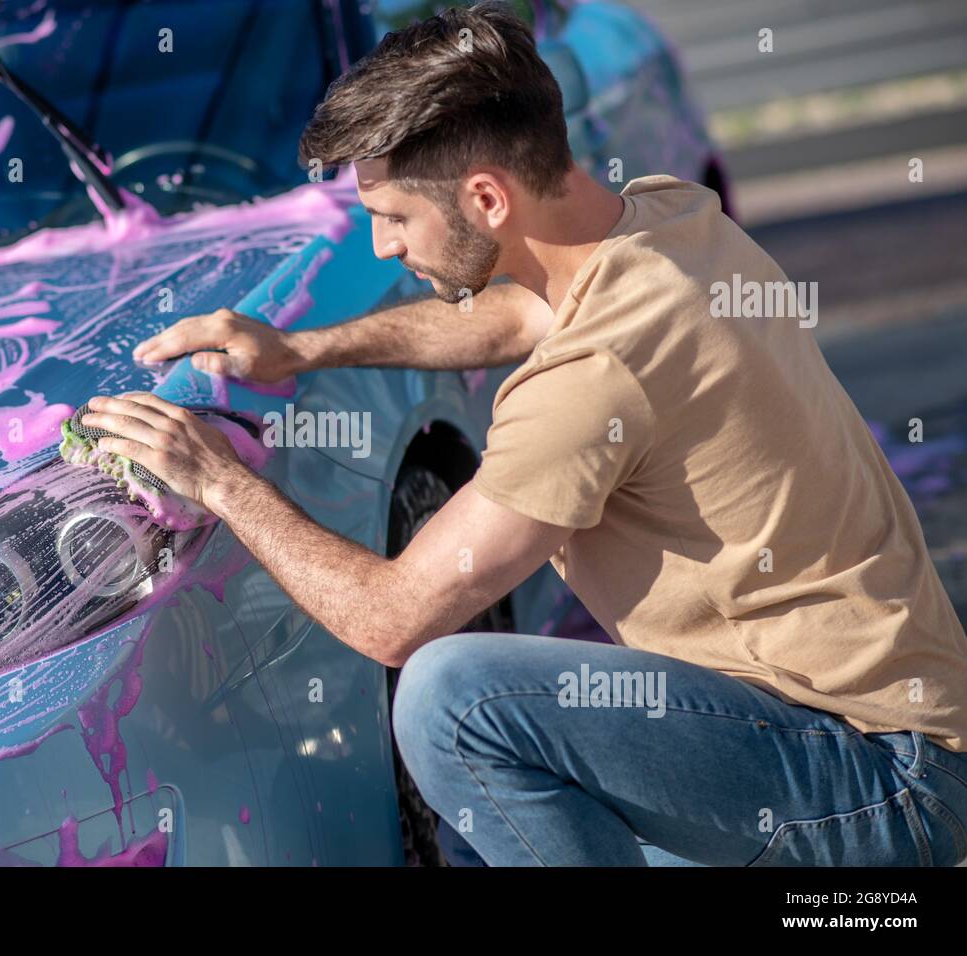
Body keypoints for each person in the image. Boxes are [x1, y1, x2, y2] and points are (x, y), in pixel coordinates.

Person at [82, 1, 967, 866]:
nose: (385, 248)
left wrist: (220, 481)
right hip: (882, 735)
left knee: (451, 701)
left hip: (876, 785)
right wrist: (299, 349)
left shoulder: (591, 381)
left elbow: (393, 620)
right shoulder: (671, 224)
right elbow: (522, 316)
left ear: (485, 198)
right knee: (493, 809)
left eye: (394, 218)